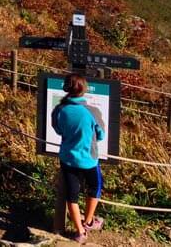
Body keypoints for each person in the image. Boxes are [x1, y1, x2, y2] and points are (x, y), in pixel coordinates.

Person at [51, 73, 105, 243]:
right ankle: (88, 221)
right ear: (83, 89)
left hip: (68, 158)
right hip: (89, 159)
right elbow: (101, 135)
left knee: (71, 196)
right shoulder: (92, 111)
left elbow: (58, 130)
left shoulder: (59, 110)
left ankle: (80, 232)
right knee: (95, 187)